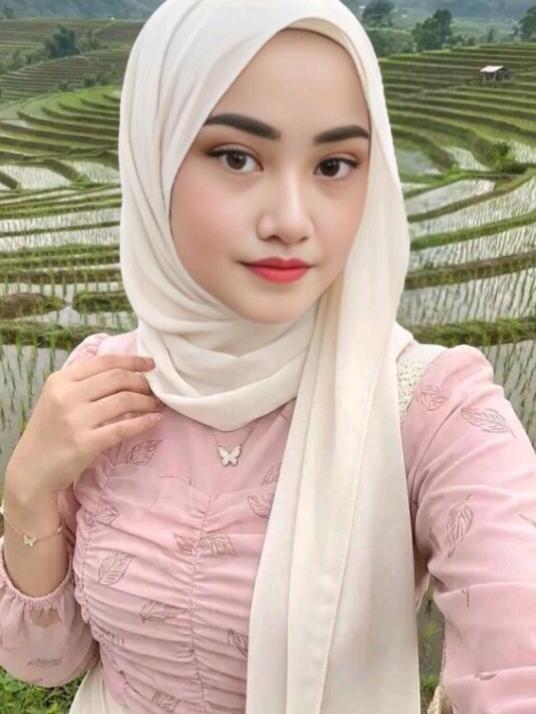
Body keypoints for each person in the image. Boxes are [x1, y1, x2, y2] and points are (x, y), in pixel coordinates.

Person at [0, 1, 535, 713]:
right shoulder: (97, 383)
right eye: (237, 157)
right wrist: (27, 489)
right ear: (154, 157)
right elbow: (46, 662)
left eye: (334, 165)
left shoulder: (432, 410)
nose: (291, 219)